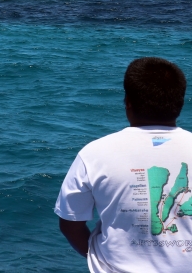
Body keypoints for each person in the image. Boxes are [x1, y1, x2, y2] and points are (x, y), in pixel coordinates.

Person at [55, 57, 191, 272]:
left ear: (128, 102)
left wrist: (96, 257)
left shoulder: (95, 153)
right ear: (180, 103)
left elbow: (70, 224)